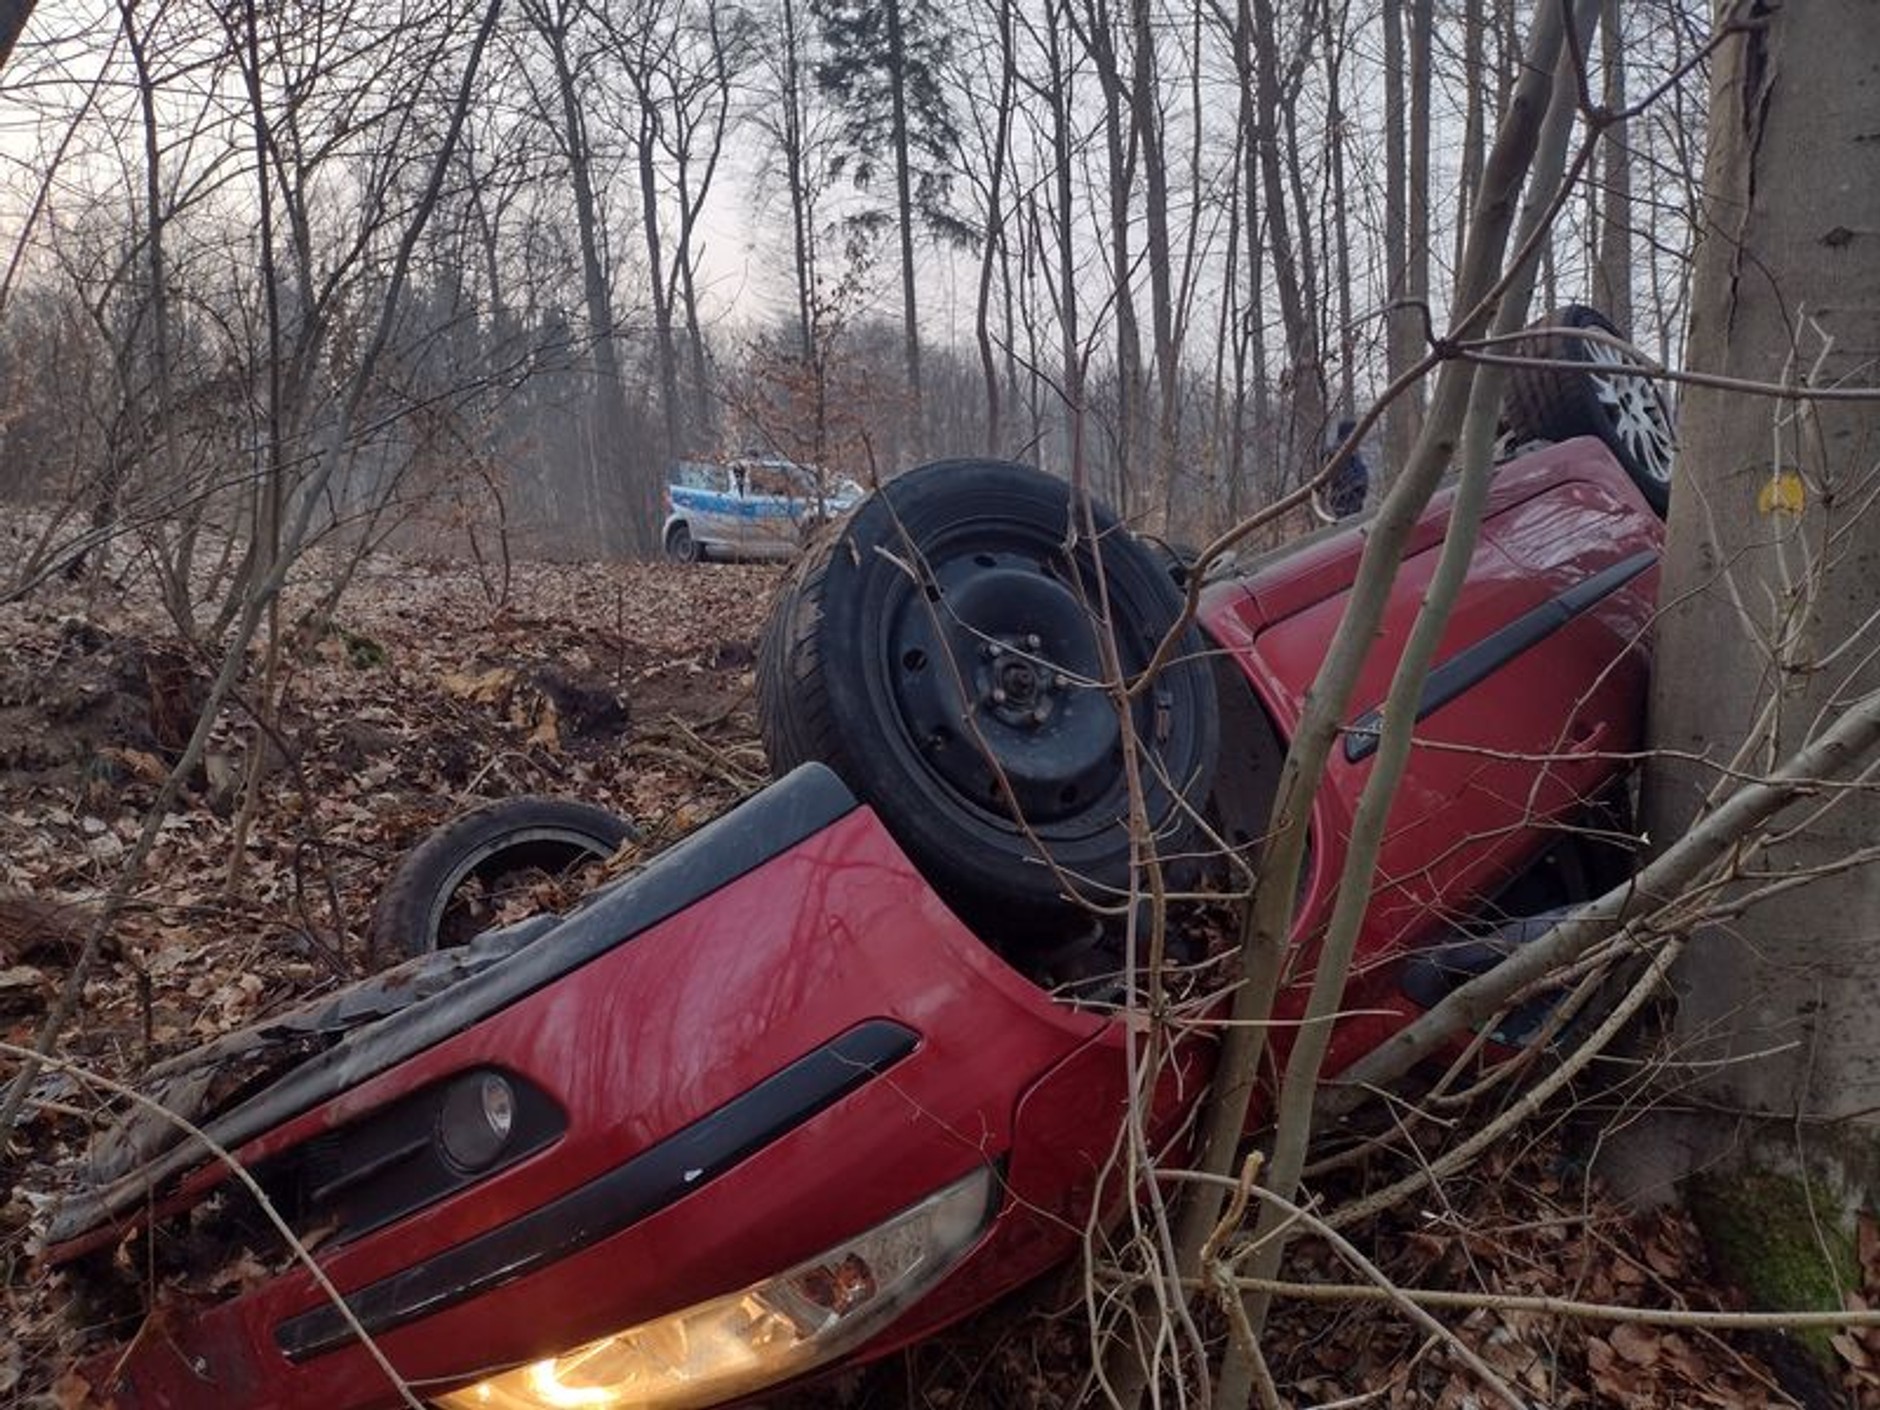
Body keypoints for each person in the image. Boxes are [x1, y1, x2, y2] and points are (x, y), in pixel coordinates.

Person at [1326, 418, 1369, 518]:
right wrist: (1357, 486)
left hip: (1354, 501)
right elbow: (1342, 479)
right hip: (1345, 502)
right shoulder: (1337, 453)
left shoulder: (1351, 451)